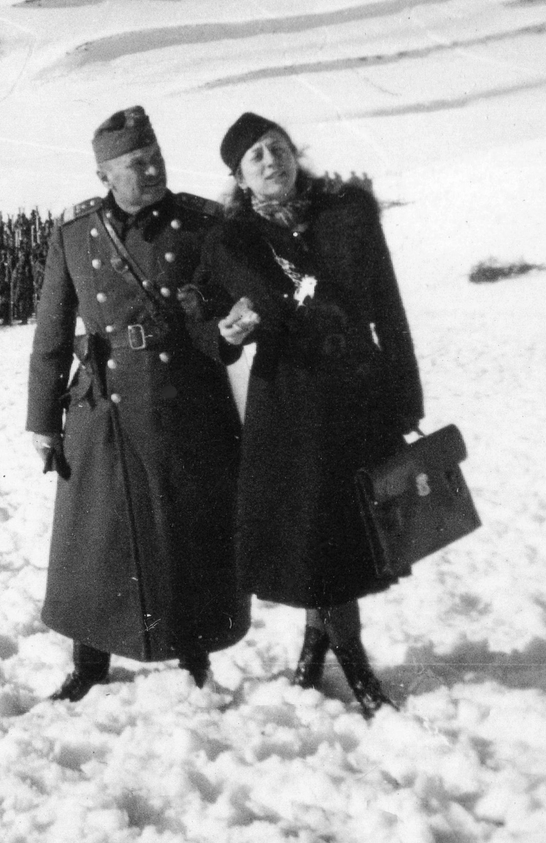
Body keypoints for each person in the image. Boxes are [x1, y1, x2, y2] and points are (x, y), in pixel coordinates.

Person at [201, 112, 424, 718]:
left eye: (277, 147)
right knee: (313, 534)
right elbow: (210, 320)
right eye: (256, 158)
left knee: (344, 535)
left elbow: (389, 306)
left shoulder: (347, 213)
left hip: (357, 392)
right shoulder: (232, 241)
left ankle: (317, 648)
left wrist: (407, 395)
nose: (271, 161)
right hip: (289, 403)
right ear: (241, 179)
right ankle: (351, 664)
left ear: (295, 152)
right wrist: (226, 331)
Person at [27, 105, 248, 701]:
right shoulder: (74, 233)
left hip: (185, 396)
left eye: (156, 158)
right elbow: (51, 331)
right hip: (104, 403)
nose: (152, 171)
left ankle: (195, 653)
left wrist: (226, 334)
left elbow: (223, 318)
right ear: (105, 175)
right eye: (136, 164)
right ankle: (89, 662)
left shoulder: (201, 223)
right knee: (95, 537)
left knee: (188, 528)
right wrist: (43, 421)